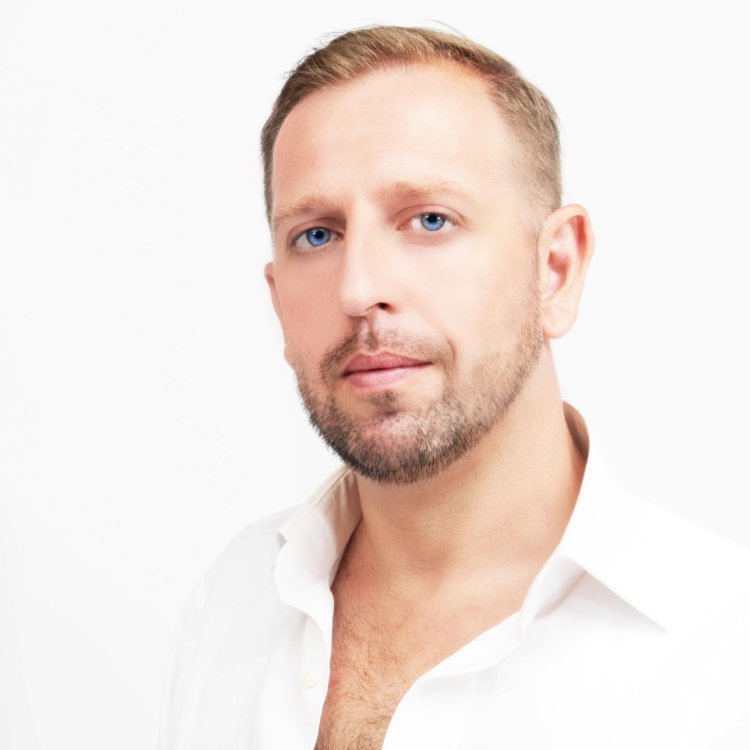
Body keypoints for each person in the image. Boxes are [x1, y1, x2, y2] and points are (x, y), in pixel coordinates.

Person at [157, 25, 750, 749]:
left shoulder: (726, 658)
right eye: (317, 234)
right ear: (278, 301)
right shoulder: (232, 605)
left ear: (555, 270)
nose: (358, 288)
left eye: (430, 220)